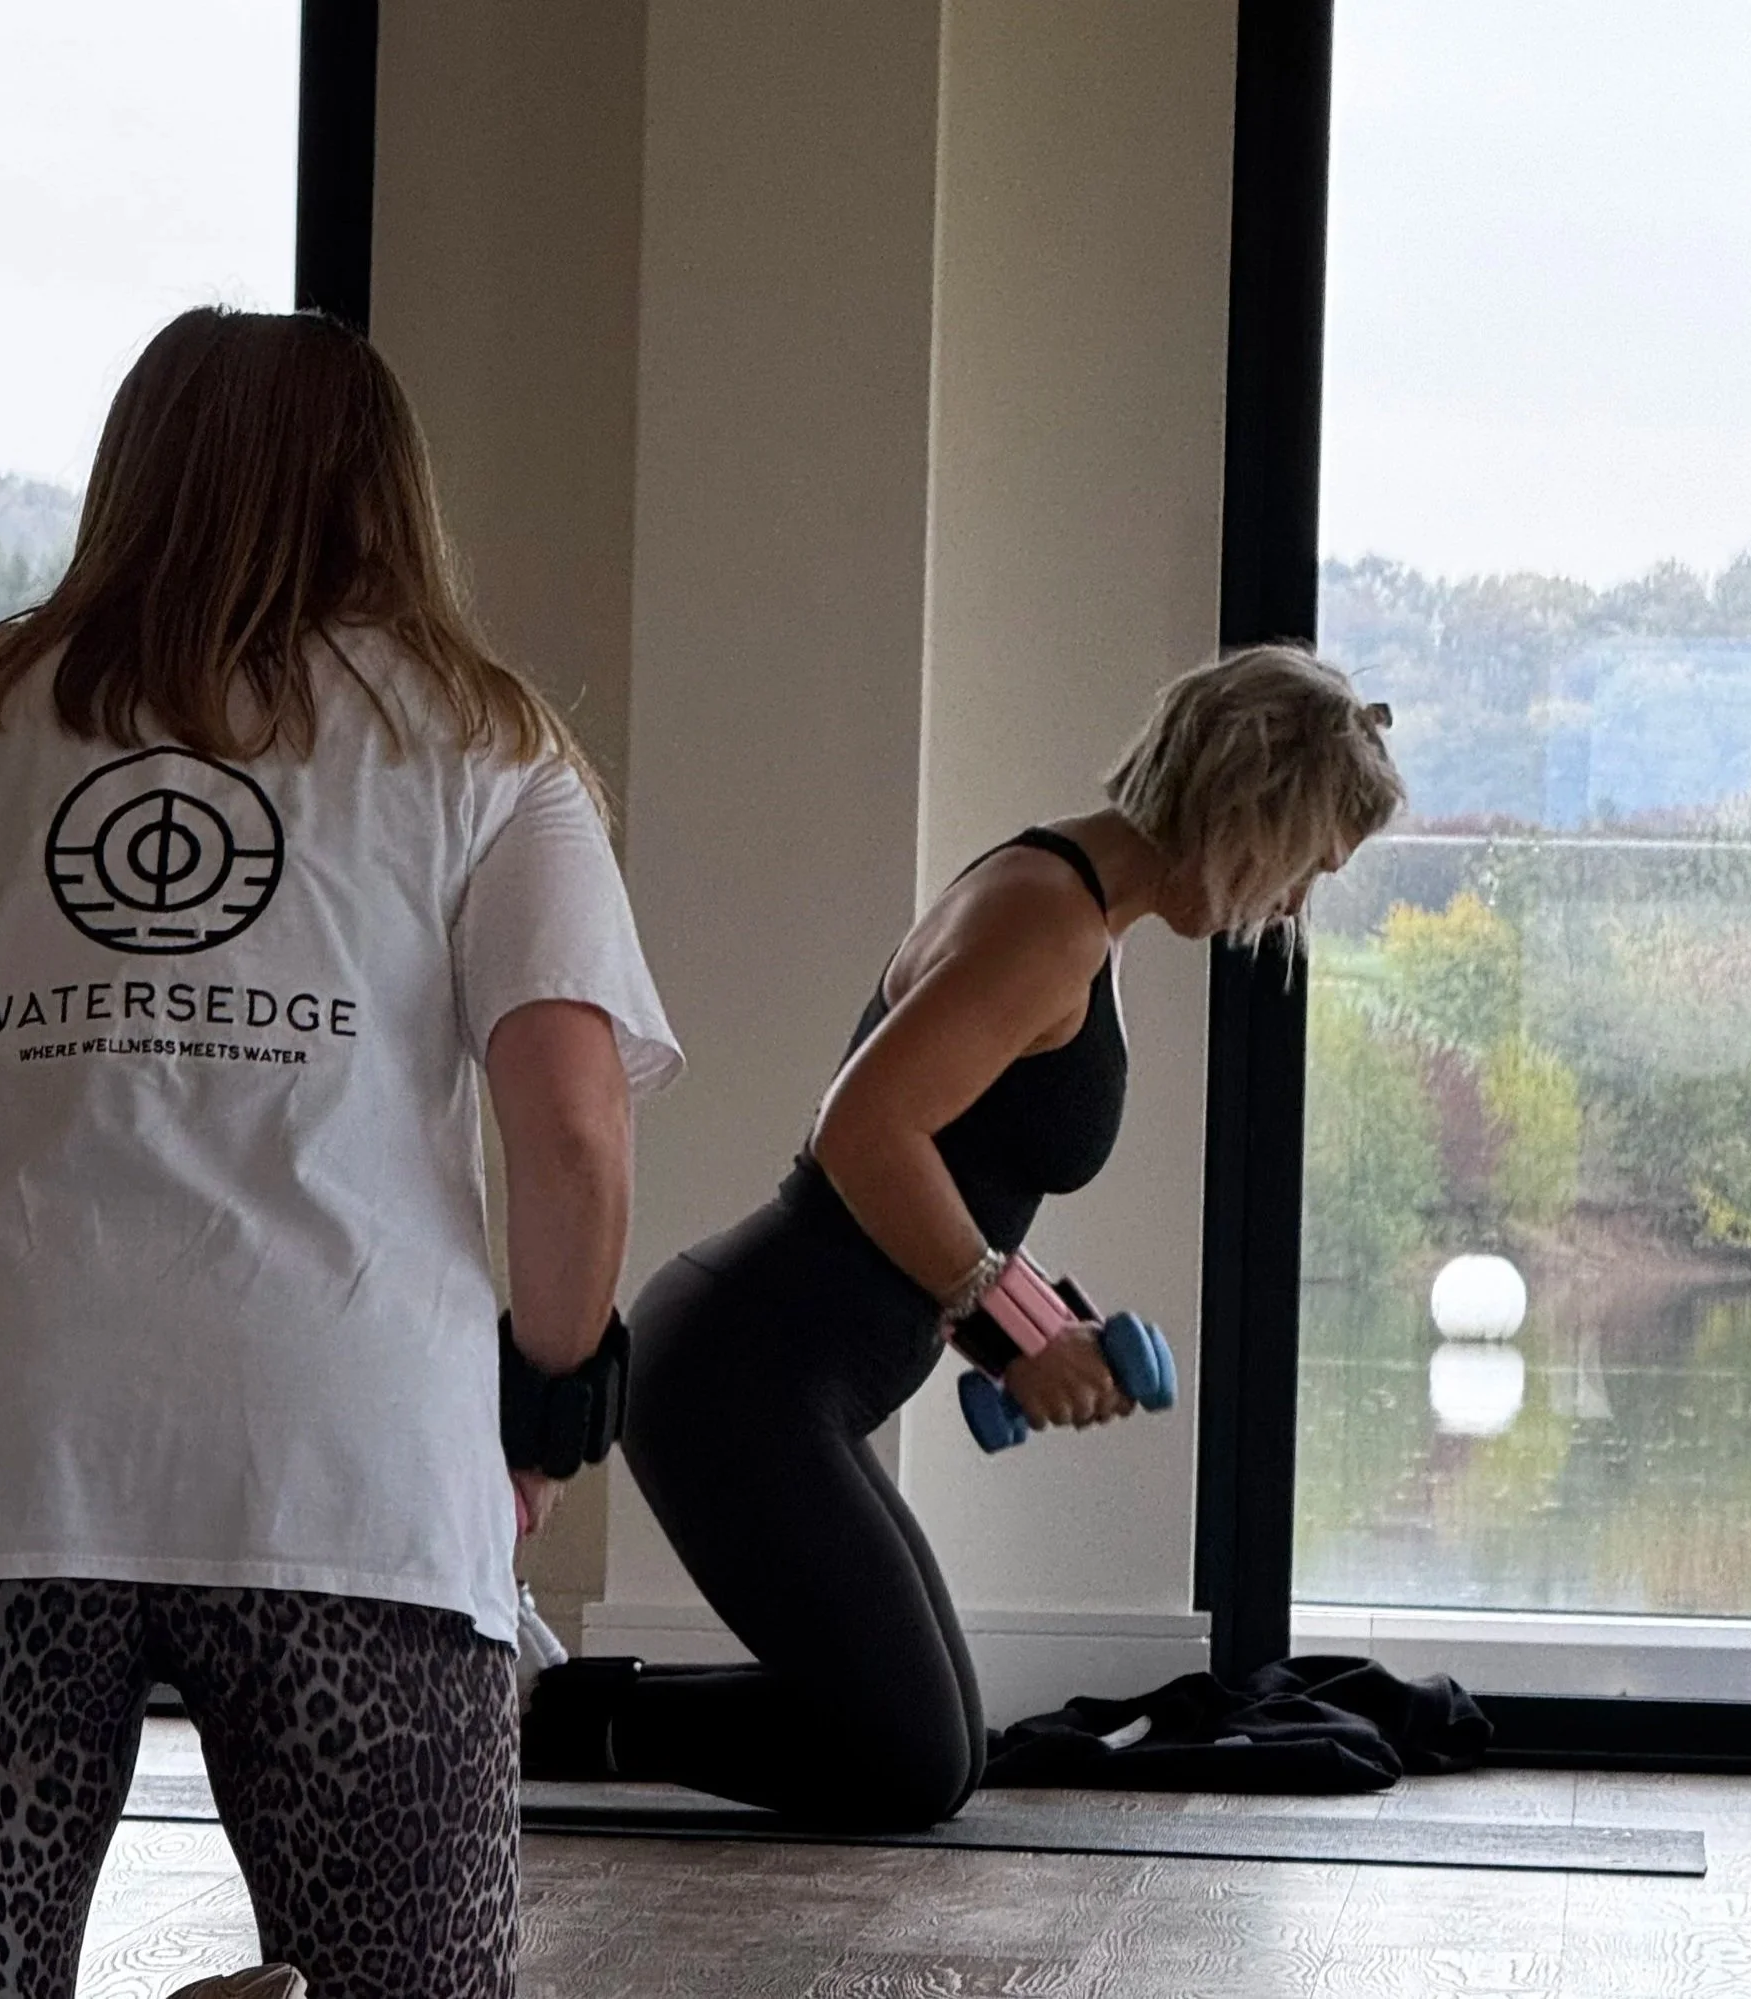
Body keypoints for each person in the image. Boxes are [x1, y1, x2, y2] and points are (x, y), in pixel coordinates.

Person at [0, 306, 680, 1999]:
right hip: (354, 1460)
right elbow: (573, 1129)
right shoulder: (482, 742)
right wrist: (549, 1390)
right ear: (387, 488)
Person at [523, 647, 1402, 1831]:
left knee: (938, 1739)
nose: (1290, 905)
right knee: (913, 1761)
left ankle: (548, 1709)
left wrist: (1033, 1332)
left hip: (785, 1377)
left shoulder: (1080, 911)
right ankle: (532, 1717)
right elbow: (861, 1131)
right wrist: (994, 1303)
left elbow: (951, 1170)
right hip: (741, 1379)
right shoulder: (1049, 920)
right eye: (1305, 867)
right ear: (1251, 811)